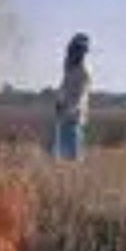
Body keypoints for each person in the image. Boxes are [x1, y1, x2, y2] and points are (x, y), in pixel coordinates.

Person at [53, 32, 91, 161]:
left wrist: (70, 109)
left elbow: (80, 95)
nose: (71, 53)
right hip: (64, 115)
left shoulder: (83, 72)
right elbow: (63, 86)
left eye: (77, 50)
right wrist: (59, 101)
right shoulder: (69, 68)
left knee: (72, 158)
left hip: (74, 117)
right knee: (61, 155)